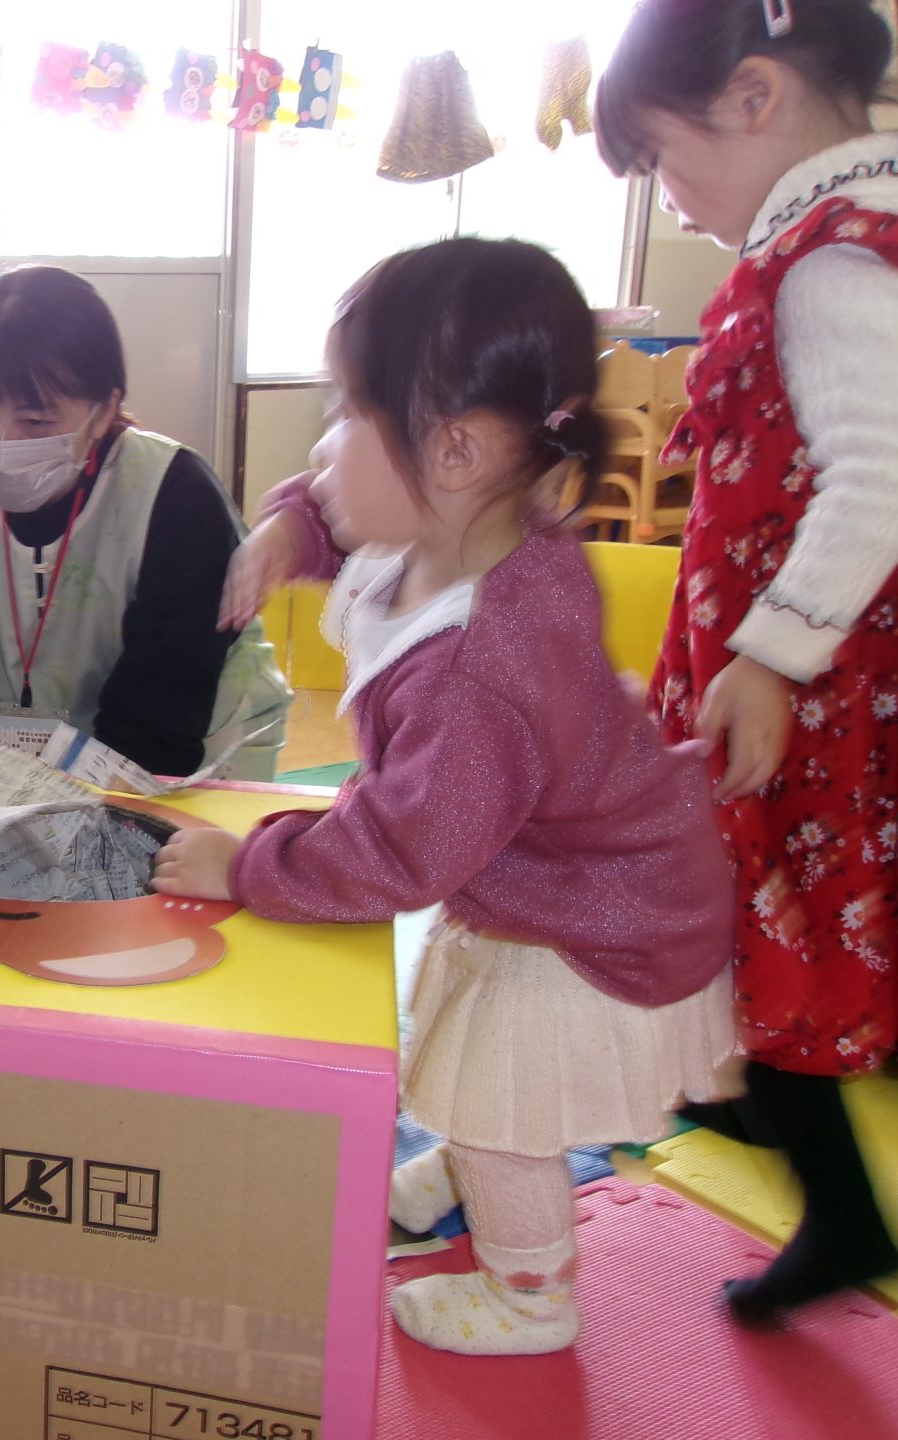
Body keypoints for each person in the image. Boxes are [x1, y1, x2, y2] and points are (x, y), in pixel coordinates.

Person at [154, 238, 739, 1356]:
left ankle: (530, 1294)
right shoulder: (462, 525)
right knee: (464, 1038)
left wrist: (247, 865)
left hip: (593, 915)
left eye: (345, 410)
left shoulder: (482, 667)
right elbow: (355, 513)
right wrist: (293, 523)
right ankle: (468, 1167)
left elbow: (396, 855)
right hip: (550, 873)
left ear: (457, 448)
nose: (319, 444)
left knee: (495, 1087)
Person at [594, 0, 898, 1316]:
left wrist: (769, 657)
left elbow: (879, 477)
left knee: (773, 930)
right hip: (803, 685)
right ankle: (770, 1118)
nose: (670, 196)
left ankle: (839, 1211)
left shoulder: (830, 259)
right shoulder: (828, 237)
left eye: (664, 157)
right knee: (772, 934)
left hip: (816, 704)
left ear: (757, 97)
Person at [0, 265, 290, 778]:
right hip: (35, 744)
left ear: (104, 410)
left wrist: (79, 805)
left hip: (194, 742)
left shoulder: (174, 498)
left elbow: (162, 707)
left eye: (36, 421)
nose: (2, 445)